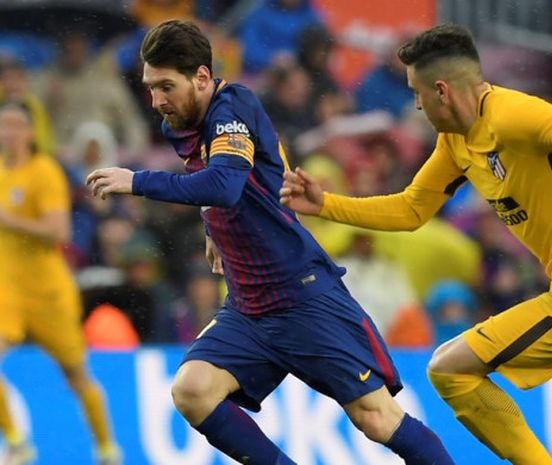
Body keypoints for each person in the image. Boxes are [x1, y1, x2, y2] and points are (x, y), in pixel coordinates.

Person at [280, 23, 552, 465]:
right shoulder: (457, 140)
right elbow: (411, 210)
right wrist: (325, 204)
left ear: (441, 90)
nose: (415, 104)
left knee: (449, 369)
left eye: (417, 93)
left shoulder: (513, 116)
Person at [85, 20, 455, 465]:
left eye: (166, 86)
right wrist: (212, 227)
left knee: (376, 418)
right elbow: (234, 183)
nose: (157, 100)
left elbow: (223, 184)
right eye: (149, 87)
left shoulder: (232, 107)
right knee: (193, 390)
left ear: (202, 77)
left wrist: (136, 180)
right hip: (249, 304)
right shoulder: (179, 121)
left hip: (302, 296)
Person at [0, 103, 122, 465]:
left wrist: (8, 219)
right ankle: (18, 443)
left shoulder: (44, 172)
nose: (7, 131)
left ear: (30, 132)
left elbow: (60, 231)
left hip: (49, 292)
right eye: (2, 124)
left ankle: (106, 449)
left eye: (14, 124)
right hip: (7, 290)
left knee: (76, 376)